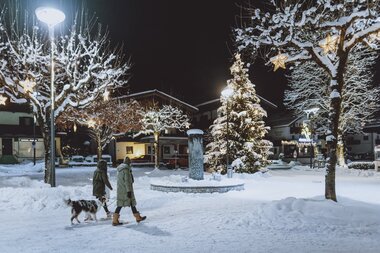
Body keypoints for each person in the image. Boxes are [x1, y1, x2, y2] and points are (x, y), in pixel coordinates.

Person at [112, 157, 146, 226]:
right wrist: (128, 191)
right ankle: (115, 220)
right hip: (126, 190)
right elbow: (127, 181)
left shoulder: (119, 169)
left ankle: (137, 217)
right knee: (121, 204)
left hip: (121, 189)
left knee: (130, 203)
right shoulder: (126, 170)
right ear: (129, 163)